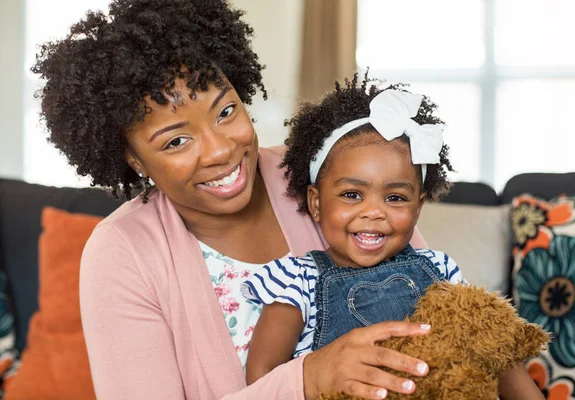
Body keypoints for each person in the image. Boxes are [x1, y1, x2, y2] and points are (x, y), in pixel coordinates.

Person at [31, 1, 433, 399]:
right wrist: (306, 379)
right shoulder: (122, 251)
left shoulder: (323, 175)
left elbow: (431, 298)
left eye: (225, 111)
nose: (220, 150)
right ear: (134, 159)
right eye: (176, 141)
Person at [242, 76, 545, 400]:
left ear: (419, 207)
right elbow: (263, 381)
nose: (374, 212)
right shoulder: (297, 280)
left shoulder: (439, 269)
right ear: (316, 203)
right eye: (352, 194)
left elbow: (492, 349)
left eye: (396, 198)